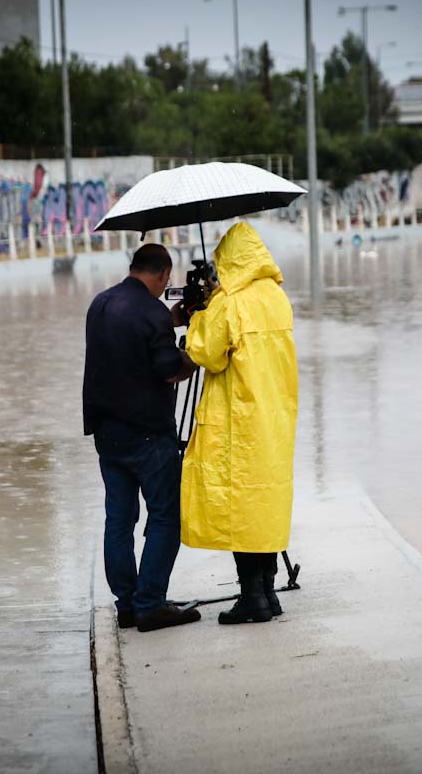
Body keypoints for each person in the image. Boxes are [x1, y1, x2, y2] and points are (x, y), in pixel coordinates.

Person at [180, 221, 299, 624]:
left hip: (238, 420)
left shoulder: (230, 303)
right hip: (274, 418)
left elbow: (205, 353)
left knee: (241, 505)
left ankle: (253, 598)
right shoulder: (276, 297)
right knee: (265, 501)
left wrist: (201, 315)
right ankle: (267, 592)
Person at [83, 243, 200, 632]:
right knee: (166, 517)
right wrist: (195, 354)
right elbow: (168, 369)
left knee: (119, 519)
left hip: (107, 433)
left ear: (133, 267)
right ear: (165, 274)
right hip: (149, 436)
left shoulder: (100, 304)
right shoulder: (152, 314)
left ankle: (128, 605)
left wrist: (168, 321)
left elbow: (127, 346)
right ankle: (151, 604)